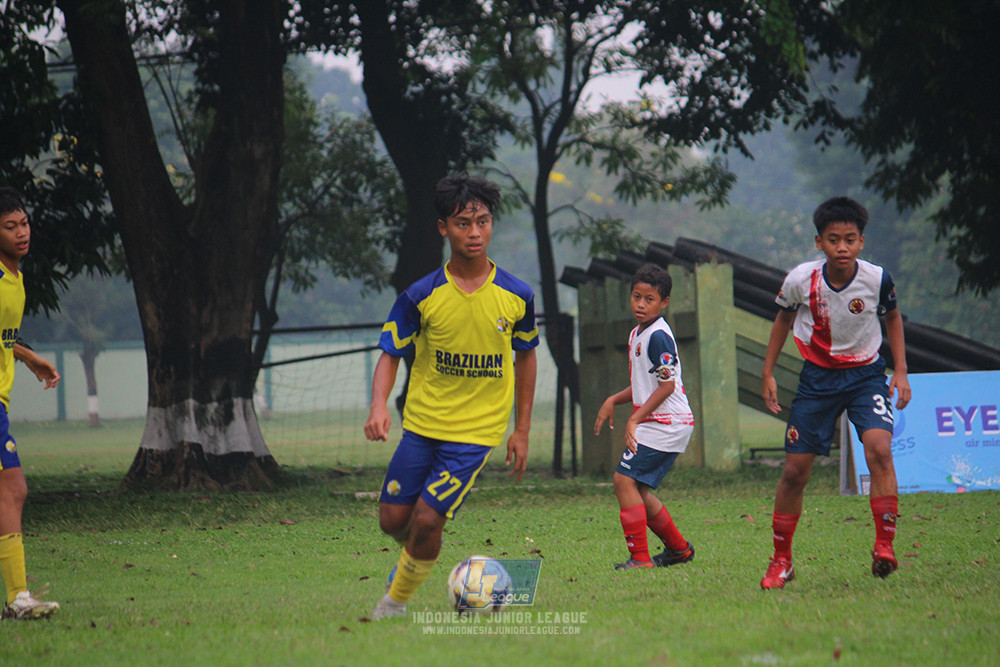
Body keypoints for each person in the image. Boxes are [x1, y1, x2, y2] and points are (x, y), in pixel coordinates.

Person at [363, 174, 538, 619]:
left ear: (492, 225)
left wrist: (520, 430)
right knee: (393, 521)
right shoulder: (420, 296)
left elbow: (527, 359)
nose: (474, 232)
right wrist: (378, 406)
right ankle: (418, 554)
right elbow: (391, 353)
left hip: (475, 433)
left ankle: (394, 602)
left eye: (482, 222)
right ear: (444, 228)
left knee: (425, 519)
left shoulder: (517, 296)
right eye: (463, 223)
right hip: (421, 427)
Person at [759, 196, 911, 589]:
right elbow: (782, 318)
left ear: (861, 241)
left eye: (850, 239)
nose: (841, 247)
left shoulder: (878, 279)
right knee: (794, 472)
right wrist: (768, 372)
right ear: (818, 242)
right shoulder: (800, 280)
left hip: (866, 376)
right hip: (817, 381)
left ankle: (884, 546)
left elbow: (892, 317)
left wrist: (901, 370)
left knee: (879, 448)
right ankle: (782, 561)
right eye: (832, 239)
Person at [594, 264, 695, 570]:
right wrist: (614, 399)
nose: (640, 304)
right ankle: (679, 550)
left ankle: (640, 559)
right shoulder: (638, 333)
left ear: (664, 302)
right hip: (663, 421)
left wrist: (635, 419)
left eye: (649, 299)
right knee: (635, 489)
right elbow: (645, 385)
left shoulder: (659, 336)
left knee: (623, 480)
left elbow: (666, 386)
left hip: (668, 422)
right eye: (636, 296)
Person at [0, 187, 61, 620]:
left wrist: (30, 357)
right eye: (10, 226)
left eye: (24, 223)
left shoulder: (15, 278)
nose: (22, 233)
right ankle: (19, 598)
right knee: (13, 488)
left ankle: (17, 597)